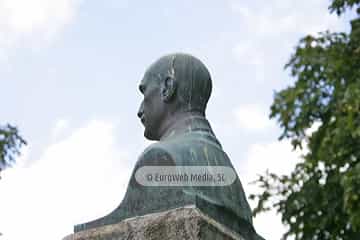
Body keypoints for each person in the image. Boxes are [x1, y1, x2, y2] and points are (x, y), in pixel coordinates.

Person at [75, 53, 264, 240]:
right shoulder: (224, 169)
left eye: (145, 92)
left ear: (167, 87)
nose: (139, 110)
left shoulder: (159, 158)